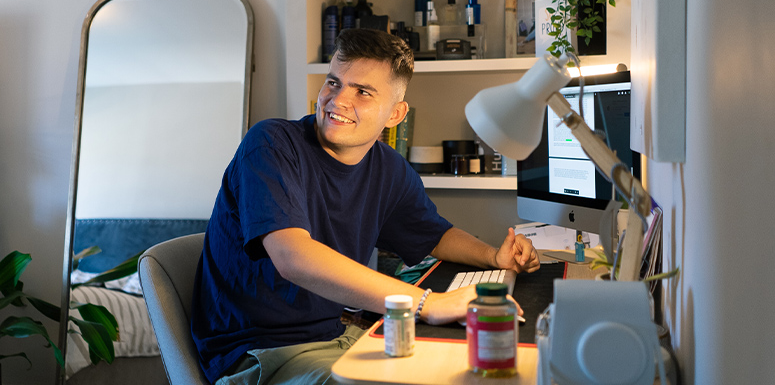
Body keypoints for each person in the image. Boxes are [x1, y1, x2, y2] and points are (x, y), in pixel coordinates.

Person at [191, 28, 540, 385]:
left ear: (395, 114)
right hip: (260, 355)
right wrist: (428, 304)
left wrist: (492, 256)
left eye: (362, 91)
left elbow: (435, 235)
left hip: (334, 335)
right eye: (333, 83)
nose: (338, 100)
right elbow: (292, 257)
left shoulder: (387, 167)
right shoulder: (271, 145)